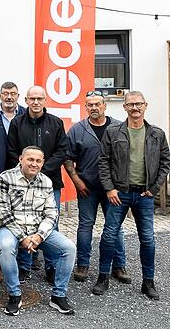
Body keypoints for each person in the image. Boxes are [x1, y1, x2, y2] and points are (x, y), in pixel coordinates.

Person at [93, 91, 170, 300]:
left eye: (139, 104)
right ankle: (103, 277)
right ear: (124, 107)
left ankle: (148, 281)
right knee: (109, 235)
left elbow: (165, 162)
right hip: (120, 193)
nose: (135, 108)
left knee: (147, 239)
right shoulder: (113, 132)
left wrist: (154, 189)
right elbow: (103, 161)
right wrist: (109, 188)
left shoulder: (157, 133)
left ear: (146, 105)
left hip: (144, 195)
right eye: (131, 105)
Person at [0, 146, 76, 316]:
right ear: (20, 159)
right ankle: (15, 295)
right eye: (30, 159)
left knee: (68, 248)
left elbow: (51, 213)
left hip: (38, 230)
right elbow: (3, 212)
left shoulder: (46, 181)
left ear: (43, 163)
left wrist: (39, 236)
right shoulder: (6, 177)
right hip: (11, 228)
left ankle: (58, 296)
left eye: (38, 161)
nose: (34, 163)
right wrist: (23, 237)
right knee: (7, 246)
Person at [63, 91, 128, 284]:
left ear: (105, 106)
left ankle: (119, 266)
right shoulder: (77, 130)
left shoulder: (118, 127)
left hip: (113, 189)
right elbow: (67, 157)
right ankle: (83, 265)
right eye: (89, 105)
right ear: (85, 107)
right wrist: (76, 180)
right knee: (85, 226)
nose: (94, 108)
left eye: (97, 104)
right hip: (87, 188)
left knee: (115, 227)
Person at [6, 86, 68, 283]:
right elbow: (11, 149)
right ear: (25, 100)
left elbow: (62, 150)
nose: (36, 102)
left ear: (45, 100)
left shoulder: (56, 123)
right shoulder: (17, 123)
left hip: (50, 182)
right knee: (24, 221)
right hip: (21, 183)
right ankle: (24, 265)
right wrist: (26, 170)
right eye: (32, 98)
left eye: (39, 98)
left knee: (51, 223)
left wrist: (41, 170)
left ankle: (51, 265)